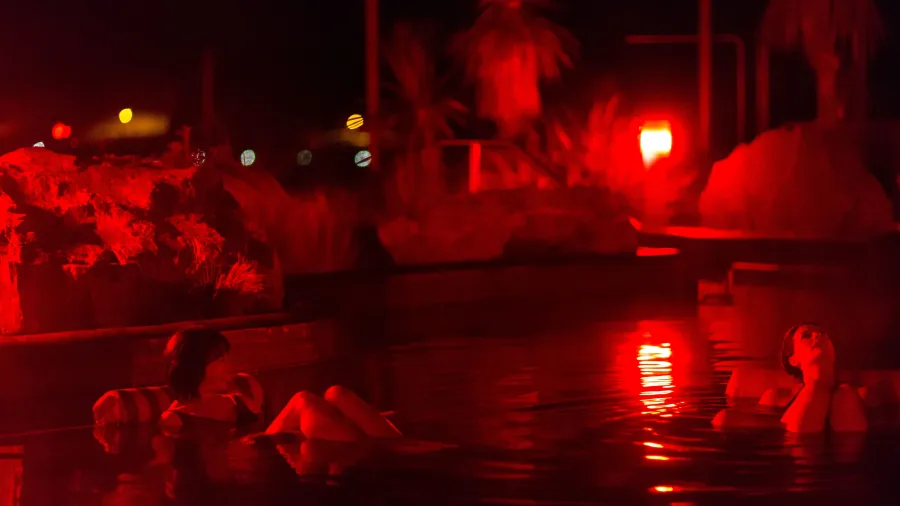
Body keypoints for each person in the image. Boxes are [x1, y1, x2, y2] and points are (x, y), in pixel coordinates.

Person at [159, 326, 401, 441]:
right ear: (194, 366)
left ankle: (398, 447)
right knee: (302, 401)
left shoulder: (236, 399)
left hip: (273, 449)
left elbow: (269, 427)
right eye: (218, 361)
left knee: (336, 394)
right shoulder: (176, 418)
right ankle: (394, 454)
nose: (227, 367)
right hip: (251, 457)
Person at [713, 322, 868, 433]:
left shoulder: (855, 395)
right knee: (817, 390)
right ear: (793, 359)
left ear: (833, 351)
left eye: (823, 334)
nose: (817, 336)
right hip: (793, 440)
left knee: (841, 394)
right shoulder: (777, 398)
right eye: (806, 336)